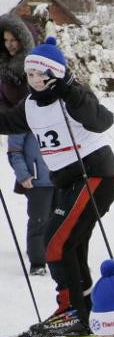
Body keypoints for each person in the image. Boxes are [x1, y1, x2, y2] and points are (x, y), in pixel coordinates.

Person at [0, 36, 114, 337]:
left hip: (95, 174)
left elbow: (102, 121)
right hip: (66, 181)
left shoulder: (72, 95)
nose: (36, 80)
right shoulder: (29, 104)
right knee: (72, 245)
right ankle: (86, 308)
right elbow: (8, 122)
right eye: (31, 74)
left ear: (56, 74)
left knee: (56, 242)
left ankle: (71, 311)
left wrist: (70, 91)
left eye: (42, 74)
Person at [0, 15, 52, 276]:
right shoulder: (4, 70)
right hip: (19, 129)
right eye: (5, 40)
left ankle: (54, 252)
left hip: (43, 134)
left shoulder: (36, 67)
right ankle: (38, 258)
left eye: (14, 39)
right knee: (39, 215)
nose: (10, 45)